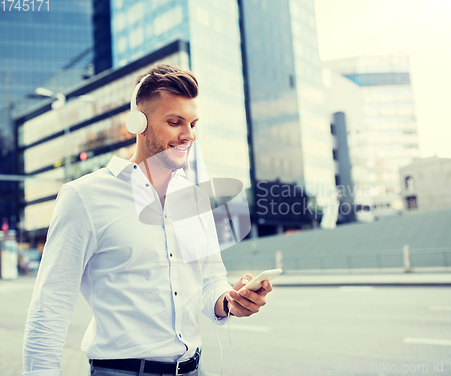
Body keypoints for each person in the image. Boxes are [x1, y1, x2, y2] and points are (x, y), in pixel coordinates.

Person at [22, 64, 273, 376]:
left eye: (193, 123)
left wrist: (231, 301)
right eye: (174, 122)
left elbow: (210, 282)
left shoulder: (194, 198)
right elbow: (50, 306)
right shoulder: (84, 197)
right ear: (138, 123)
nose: (189, 135)